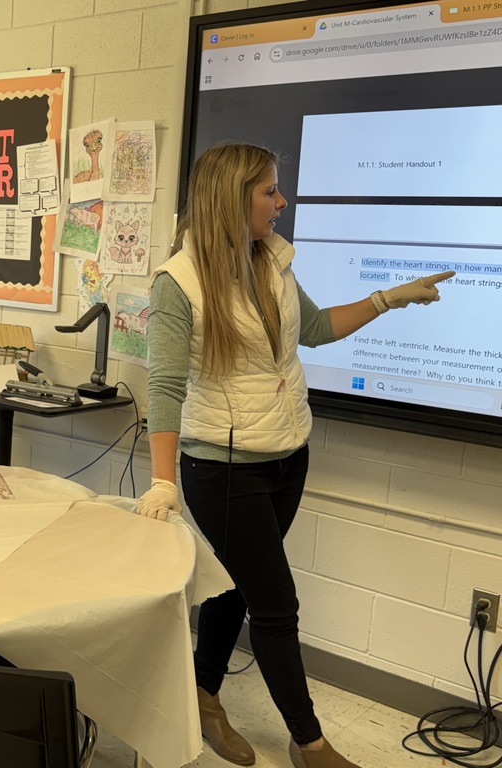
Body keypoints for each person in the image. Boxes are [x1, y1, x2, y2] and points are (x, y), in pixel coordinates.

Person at [138, 143, 454, 768]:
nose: (281, 203)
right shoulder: (179, 281)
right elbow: (166, 386)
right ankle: (309, 743)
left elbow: (313, 329)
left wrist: (391, 298)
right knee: (277, 608)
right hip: (221, 468)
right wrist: (161, 481)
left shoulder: (270, 262)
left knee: (234, 588)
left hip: (286, 457)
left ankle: (202, 697)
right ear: (232, 198)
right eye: (269, 192)